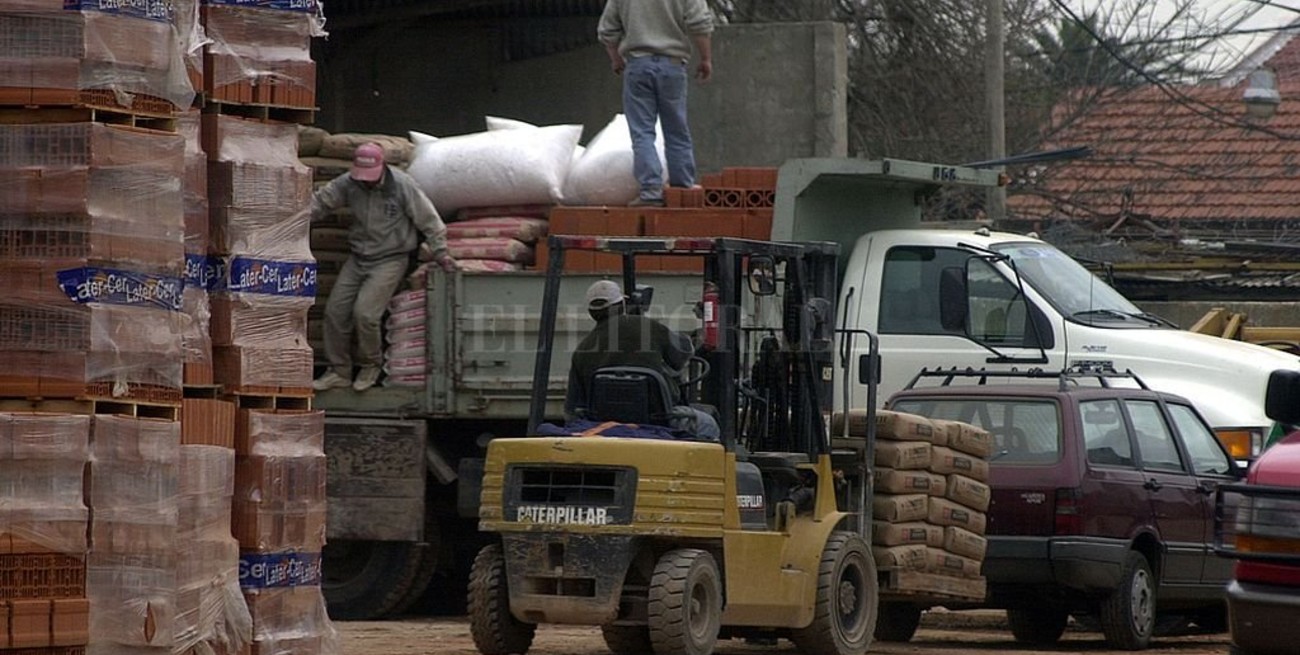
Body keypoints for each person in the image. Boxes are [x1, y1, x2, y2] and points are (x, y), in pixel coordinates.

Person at [310, 143, 456, 392]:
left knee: (365, 314)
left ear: (382, 166)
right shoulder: (348, 183)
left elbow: (429, 220)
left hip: (390, 259)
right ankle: (339, 371)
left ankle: (370, 366)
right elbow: (321, 203)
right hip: (358, 258)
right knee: (335, 313)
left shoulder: (402, 186)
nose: (366, 182)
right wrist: (287, 219)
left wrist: (441, 252)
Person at [565, 280, 719, 440]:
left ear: (591, 312)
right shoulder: (647, 327)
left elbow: (573, 408)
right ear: (622, 304)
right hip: (658, 418)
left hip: (603, 422)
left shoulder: (582, 348)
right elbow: (681, 355)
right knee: (708, 424)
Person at [597, 0, 715, 207]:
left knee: (642, 132)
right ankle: (682, 188)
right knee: (676, 129)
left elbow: (607, 29)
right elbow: (700, 23)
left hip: (637, 65)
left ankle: (650, 191)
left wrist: (616, 58)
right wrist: (706, 59)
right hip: (673, 65)